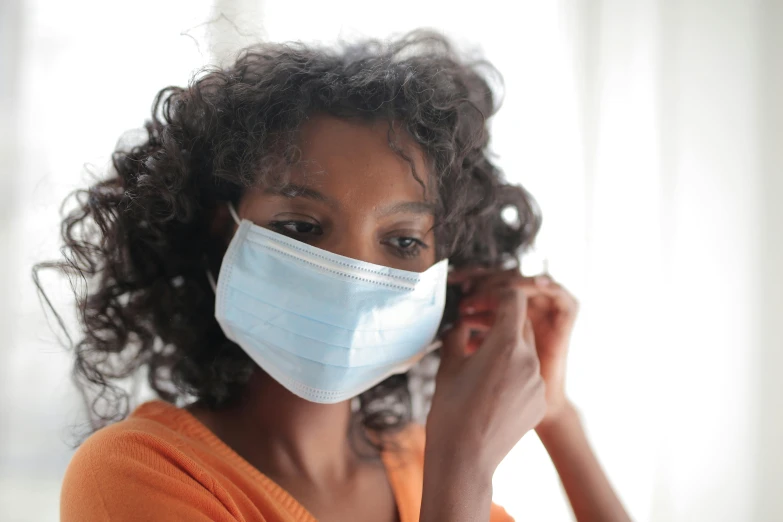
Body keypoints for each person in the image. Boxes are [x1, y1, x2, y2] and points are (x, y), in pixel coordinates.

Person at [45, 30, 630, 522]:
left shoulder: (418, 465)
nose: (354, 275)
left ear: (448, 274)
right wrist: (462, 473)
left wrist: (558, 417)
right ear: (221, 234)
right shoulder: (136, 474)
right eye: (301, 227)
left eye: (402, 241)